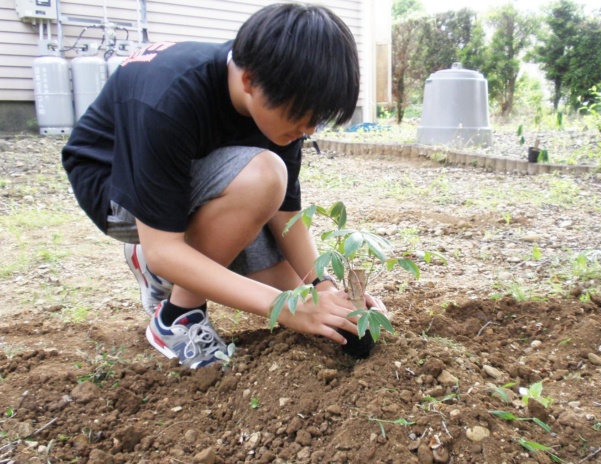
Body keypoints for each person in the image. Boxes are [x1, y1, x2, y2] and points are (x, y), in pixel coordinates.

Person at [62, 3, 385, 369]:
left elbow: (286, 215)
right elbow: (165, 249)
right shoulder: (170, 98)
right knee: (264, 176)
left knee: (292, 286)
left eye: (317, 121)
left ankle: (172, 258)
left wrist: (322, 287)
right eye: (301, 117)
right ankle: (178, 317)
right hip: (115, 189)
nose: (308, 132)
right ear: (249, 82)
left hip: (200, 179)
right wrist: (284, 312)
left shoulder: (280, 88)